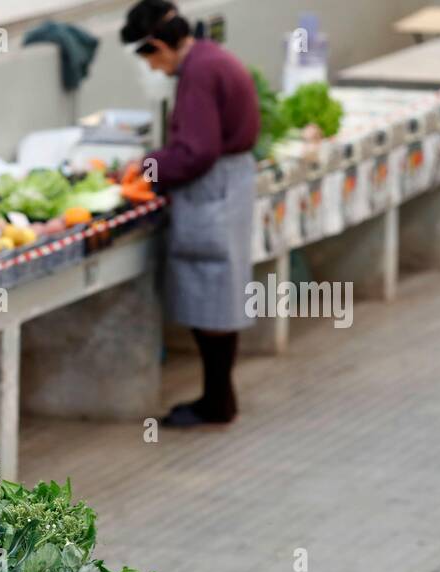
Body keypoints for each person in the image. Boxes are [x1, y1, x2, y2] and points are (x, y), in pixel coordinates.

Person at [122, 0, 259, 426]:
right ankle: (220, 398)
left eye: (150, 58)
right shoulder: (210, 58)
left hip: (213, 190)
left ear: (160, 44)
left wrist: (147, 169)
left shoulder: (198, 72)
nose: (155, 69)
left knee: (211, 289)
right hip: (228, 184)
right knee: (217, 290)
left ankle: (217, 403)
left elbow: (197, 151)